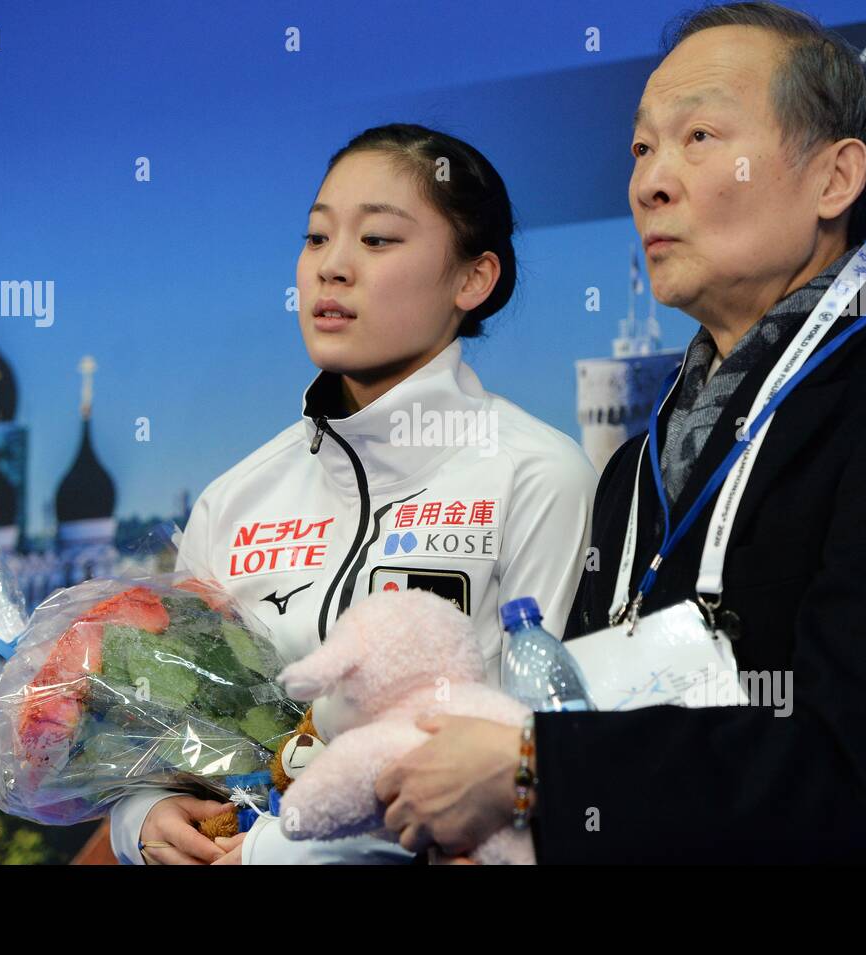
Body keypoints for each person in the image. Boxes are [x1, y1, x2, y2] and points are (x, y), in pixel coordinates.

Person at [374, 2, 866, 864]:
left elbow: (857, 770)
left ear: (835, 179)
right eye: (641, 148)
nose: (649, 181)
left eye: (699, 136)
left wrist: (532, 770)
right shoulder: (634, 469)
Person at [109, 123, 598, 864]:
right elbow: (183, 733)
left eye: (377, 240)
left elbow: (535, 764)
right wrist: (140, 821)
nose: (332, 268)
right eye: (316, 238)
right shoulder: (233, 499)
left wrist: (281, 853)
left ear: (474, 279)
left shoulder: (537, 475)